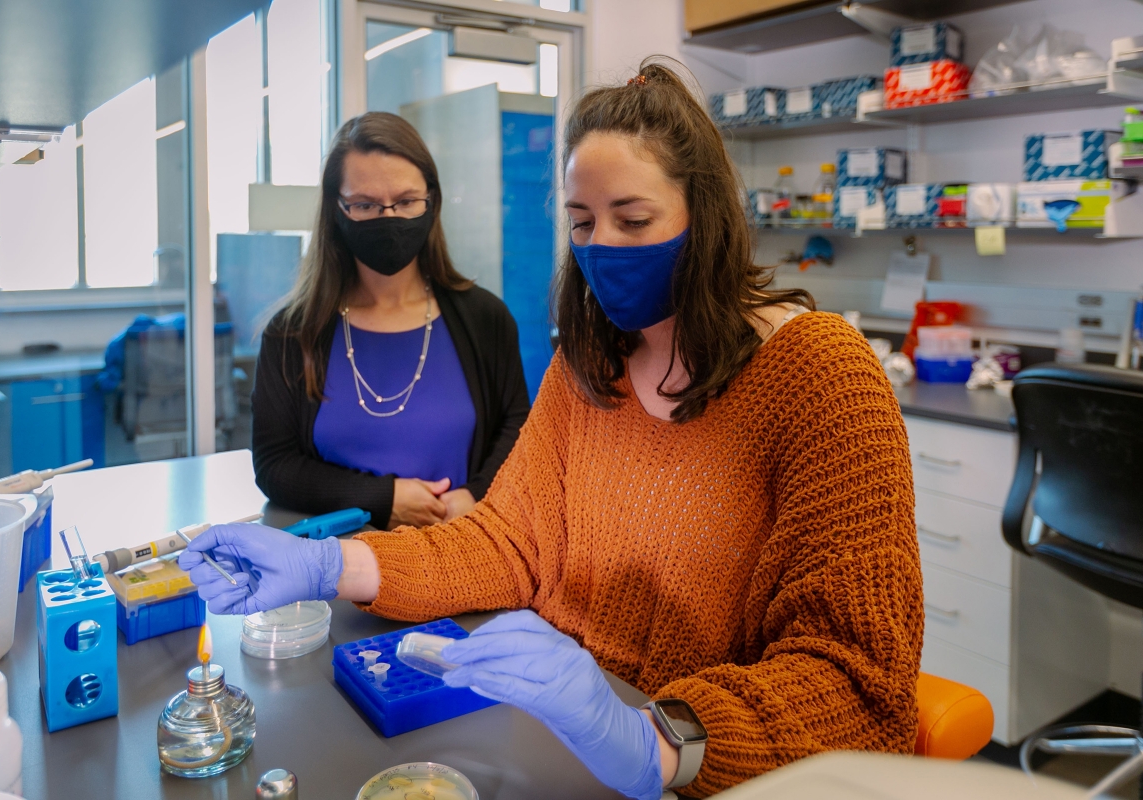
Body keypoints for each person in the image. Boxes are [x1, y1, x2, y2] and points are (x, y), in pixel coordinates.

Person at [184, 61, 922, 800]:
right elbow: (508, 540)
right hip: (551, 739)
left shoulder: (821, 376)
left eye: (633, 220)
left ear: (706, 215)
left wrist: (654, 739)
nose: (602, 246)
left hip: (702, 770)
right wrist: (331, 566)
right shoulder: (589, 364)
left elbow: (856, 683)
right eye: (581, 222)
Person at [251, 112, 531, 528]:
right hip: (341, 569)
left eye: (405, 201)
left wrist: (475, 495)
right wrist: (381, 499)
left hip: (460, 555)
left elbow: (518, 429)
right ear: (337, 209)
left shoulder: (485, 318)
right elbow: (275, 465)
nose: (389, 218)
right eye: (365, 205)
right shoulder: (293, 333)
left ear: (431, 201)